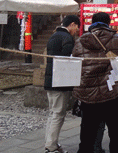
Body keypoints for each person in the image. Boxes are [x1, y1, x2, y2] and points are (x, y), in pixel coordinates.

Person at [72, 12, 118, 153]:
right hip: (111, 93)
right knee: (115, 134)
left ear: (92, 23)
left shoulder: (80, 41)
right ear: (108, 23)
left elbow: (74, 64)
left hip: (88, 95)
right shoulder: (117, 38)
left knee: (87, 135)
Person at [43, 15, 80, 153]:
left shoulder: (53, 36)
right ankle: (51, 146)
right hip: (60, 81)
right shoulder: (67, 38)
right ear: (72, 24)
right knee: (58, 114)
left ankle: (49, 142)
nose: (76, 31)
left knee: (53, 112)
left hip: (49, 80)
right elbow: (68, 60)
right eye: (76, 27)